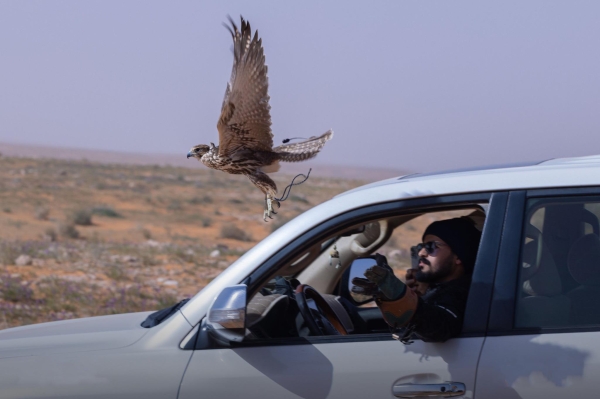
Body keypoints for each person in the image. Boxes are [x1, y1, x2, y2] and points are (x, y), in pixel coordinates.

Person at [351, 217, 482, 342]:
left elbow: (440, 326)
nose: (421, 253)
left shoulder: (464, 293)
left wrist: (401, 297)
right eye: (421, 246)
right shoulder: (439, 288)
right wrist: (417, 295)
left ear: (458, 257)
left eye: (431, 246)